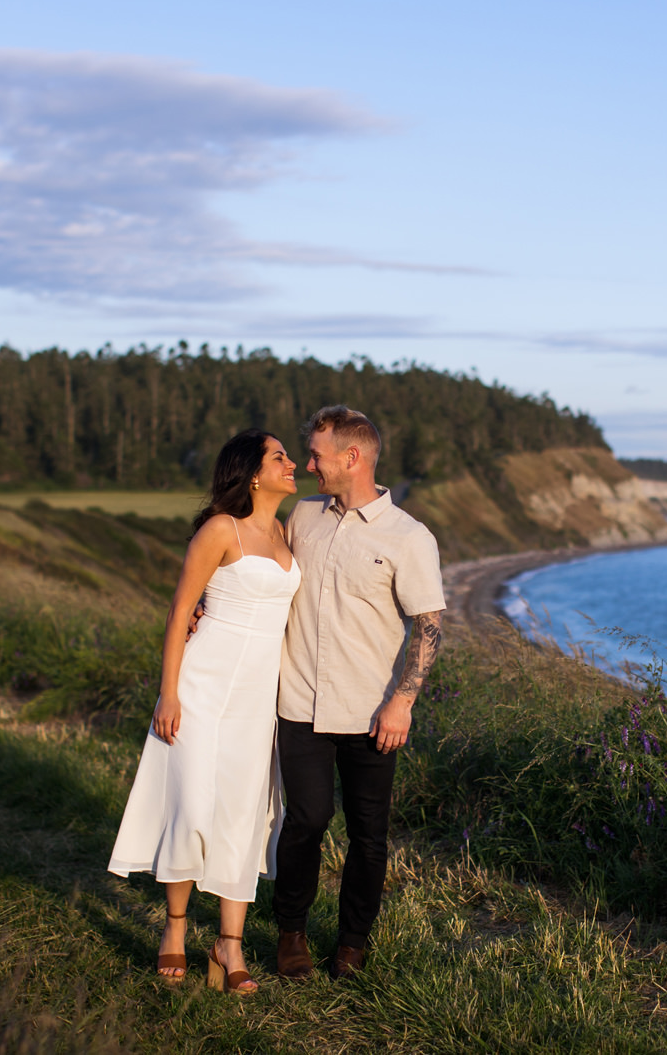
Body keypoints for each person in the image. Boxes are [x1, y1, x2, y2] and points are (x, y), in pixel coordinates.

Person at [107, 429, 300, 994]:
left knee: (243, 815)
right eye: (280, 457)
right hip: (203, 683)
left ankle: (229, 944)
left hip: (258, 696)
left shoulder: (287, 533)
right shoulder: (221, 529)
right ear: (253, 473)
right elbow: (180, 611)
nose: (291, 464)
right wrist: (170, 693)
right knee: (191, 805)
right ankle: (173, 931)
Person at [271, 405, 446, 980]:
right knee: (306, 820)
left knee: (369, 835)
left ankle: (351, 943)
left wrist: (404, 701)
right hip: (298, 702)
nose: (307, 464)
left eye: (316, 454)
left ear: (353, 458)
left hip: (372, 712)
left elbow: (430, 625)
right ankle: (290, 933)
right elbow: (264, 570)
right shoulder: (304, 515)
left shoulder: (409, 537)